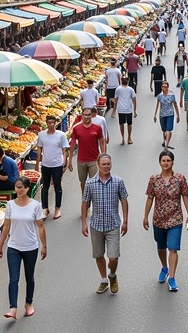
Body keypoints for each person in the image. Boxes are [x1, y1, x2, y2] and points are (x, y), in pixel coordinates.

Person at [0, 176, 47, 319]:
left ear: (27, 188)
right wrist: (1, 244)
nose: (18, 190)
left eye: (21, 187)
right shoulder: (10, 204)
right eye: (16, 187)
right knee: (13, 279)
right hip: (14, 246)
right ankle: (13, 308)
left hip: (30, 246)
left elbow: (41, 227)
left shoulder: (35, 205)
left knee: (29, 277)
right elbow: (6, 225)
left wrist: (44, 246)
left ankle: (29, 303)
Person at [142, 150, 188, 292]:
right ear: (160, 162)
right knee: (161, 246)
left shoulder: (180, 179)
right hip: (159, 218)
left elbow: (185, 196)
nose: (166, 163)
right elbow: (150, 197)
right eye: (163, 161)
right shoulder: (154, 179)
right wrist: (145, 216)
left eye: (168, 161)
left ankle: (172, 278)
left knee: (173, 248)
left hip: (175, 218)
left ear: (173, 162)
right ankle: (165, 267)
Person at [81, 154, 128, 295]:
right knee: (98, 254)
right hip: (96, 225)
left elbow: (124, 201)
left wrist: (125, 221)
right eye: (103, 164)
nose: (106, 167)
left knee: (113, 257)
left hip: (113, 224)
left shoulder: (118, 181)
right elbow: (84, 203)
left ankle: (112, 275)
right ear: (97, 164)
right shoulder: (90, 184)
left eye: (108, 164)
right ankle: (104, 280)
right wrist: (84, 222)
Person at [35, 115, 69, 219]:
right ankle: (45, 208)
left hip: (57, 164)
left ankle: (57, 208)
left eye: (52, 123)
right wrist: (37, 164)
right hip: (45, 164)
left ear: (55, 123)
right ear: (46, 123)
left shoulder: (61, 135)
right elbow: (39, 150)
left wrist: (64, 162)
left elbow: (65, 149)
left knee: (57, 187)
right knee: (44, 187)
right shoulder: (41, 135)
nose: (50, 125)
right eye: (48, 123)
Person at [68, 106, 106, 193]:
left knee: (95, 182)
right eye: (84, 115)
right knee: (83, 182)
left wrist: (103, 155)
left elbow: (102, 141)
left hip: (94, 160)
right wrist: (69, 160)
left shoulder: (97, 128)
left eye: (88, 115)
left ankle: (94, 200)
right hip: (81, 160)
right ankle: (85, 200)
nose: (86, 117)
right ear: (82, 115)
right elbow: (72, 144)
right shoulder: (76, 128)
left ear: (91, 115)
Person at [153, 81, 179, 150]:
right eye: (163, 87)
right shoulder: (159, 96)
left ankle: (166, 145)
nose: (165, 88)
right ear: (161, 87)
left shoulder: (171, 95)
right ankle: (165, 140)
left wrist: (178, 115)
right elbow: (157, 105)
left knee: (168, 130)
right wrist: (155, 115)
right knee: (164, 130)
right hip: (162, 114)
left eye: (166, 87)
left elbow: (175, 105)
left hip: (170, 114)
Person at [115, 77, 139, 145]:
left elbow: (116, 99)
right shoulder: (131, 89)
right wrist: (134, 110)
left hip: (121, 109)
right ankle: (129, 137)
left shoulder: (118, 89)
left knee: (121, 124)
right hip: (128, 109)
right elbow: (134, 100)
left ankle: (123, 138)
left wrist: (115, 109)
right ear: (128, 82)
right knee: (129, 124)